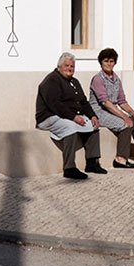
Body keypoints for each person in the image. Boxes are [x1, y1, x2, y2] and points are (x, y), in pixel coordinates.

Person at [35, 51, 105, 180]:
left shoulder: (74, 82)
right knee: (70, 127)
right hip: (49, 116)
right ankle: (69, 168)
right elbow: (55, 105)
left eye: (72, 66)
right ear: (59, 66)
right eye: (66, 66)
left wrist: (93, 116)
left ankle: (92, 162)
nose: (69, 68)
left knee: (94, 126)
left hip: (66, 115)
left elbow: (84, 102)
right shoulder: (51, 80)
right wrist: (73, 117)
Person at [88, 47, 134, 168]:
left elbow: (122, 101)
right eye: (106, 61)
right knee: (126, 124)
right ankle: (120, 159)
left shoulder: (116, 80)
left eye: (111, 61)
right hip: (99, 112)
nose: (109, 64)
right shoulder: (98, 79)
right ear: (101, 63)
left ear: (115, 63)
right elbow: (105, 102)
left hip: (111, 110)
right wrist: (123, 116)